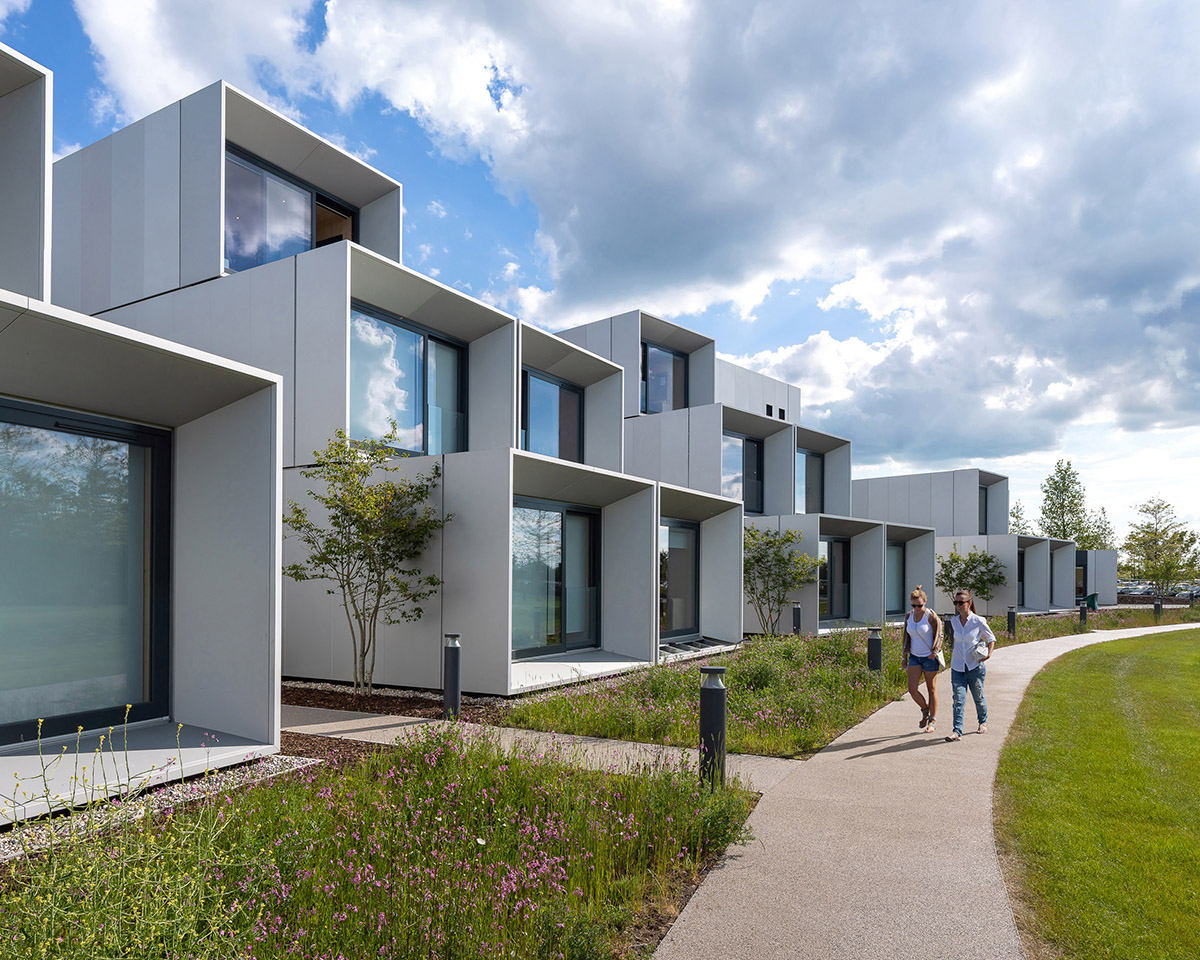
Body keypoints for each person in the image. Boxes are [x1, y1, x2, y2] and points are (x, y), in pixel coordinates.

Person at [945, 588, 996, 742]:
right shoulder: (954, 621)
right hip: (958, 666)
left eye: (961, 602)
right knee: (958, 700)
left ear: (969, 602)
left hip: (975, 666)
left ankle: (982, 722)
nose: (958, 605)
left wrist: (988, 654)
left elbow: (991, 638)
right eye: (956, 602)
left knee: (978, 697)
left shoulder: (978, 621)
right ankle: (957, 731)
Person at [900, 585, 942, 733]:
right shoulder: (909, 616)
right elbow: (906, 636)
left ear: (925, 601)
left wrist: (935, 651)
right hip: (914, 656)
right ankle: (925, 709)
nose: (917, 608)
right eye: (914, 605)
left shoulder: (930, 616)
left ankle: (933, 720)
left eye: (919, 605)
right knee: (912, 689)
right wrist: (904, 655)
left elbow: (939, 633)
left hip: (929, 657)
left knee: (931, 688)